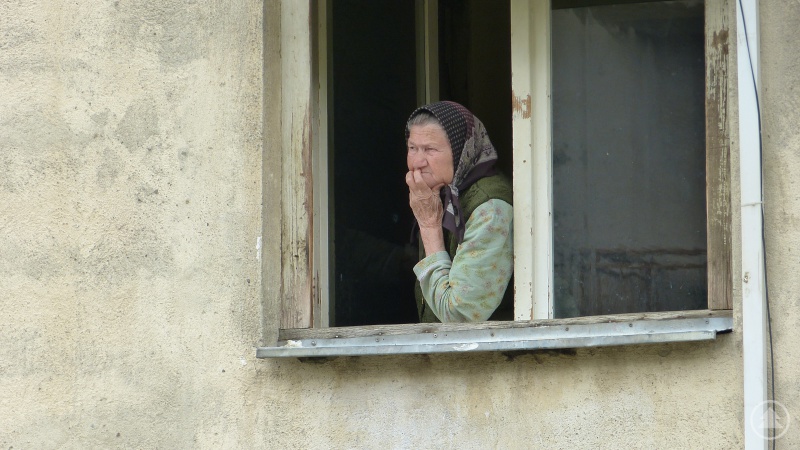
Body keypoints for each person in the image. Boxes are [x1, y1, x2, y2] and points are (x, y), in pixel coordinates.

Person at [405, 101, 513, 323]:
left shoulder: (490, 208)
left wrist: (429, 226)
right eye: (412, 148)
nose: (417, 162)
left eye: (430, 149)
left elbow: (459, 316)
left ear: (460, 150)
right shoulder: (444, 194)